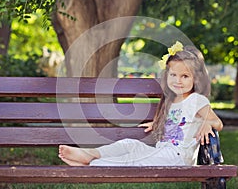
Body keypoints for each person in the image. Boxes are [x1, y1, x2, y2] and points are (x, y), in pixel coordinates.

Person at [58, 41, 223, 166]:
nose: (178, 81)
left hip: (178, 158)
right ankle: (91, 154)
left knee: (135, 160)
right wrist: (159, 123)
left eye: (185, 76)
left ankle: (96, 165)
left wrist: (208, 124)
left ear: (196, 79)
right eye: (173, 75)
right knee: (130, 145)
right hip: (162, 152)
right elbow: (180, 120)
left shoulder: (196, 99)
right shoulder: (172, 100)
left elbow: (218, 122)